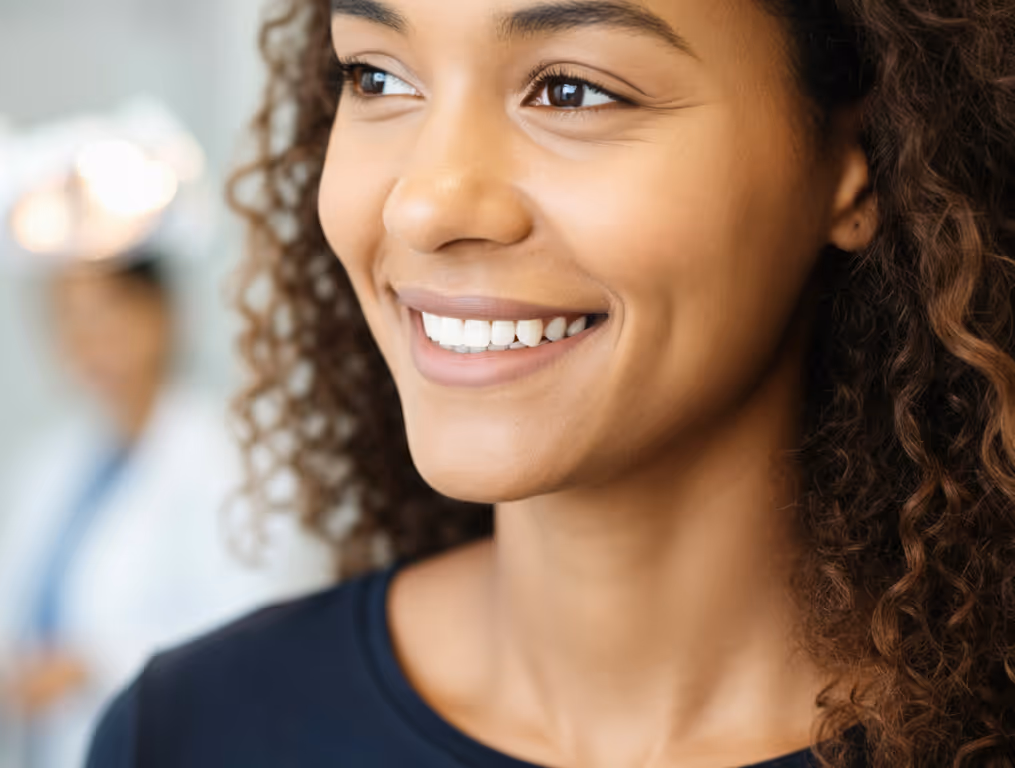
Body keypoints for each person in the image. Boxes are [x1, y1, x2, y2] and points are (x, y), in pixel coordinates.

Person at [86, 0, 1015, 766]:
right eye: (376, 77)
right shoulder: (189, 732)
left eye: (571, 92)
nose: (424, 203)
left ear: (857, 165)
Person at [0, 253, 333, 768]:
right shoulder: (52, 465)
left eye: (106, 310)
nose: (87, 337)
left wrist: (92, 664)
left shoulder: (232, 457)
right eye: (67, 315)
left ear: (161, 313)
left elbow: (262, 626)